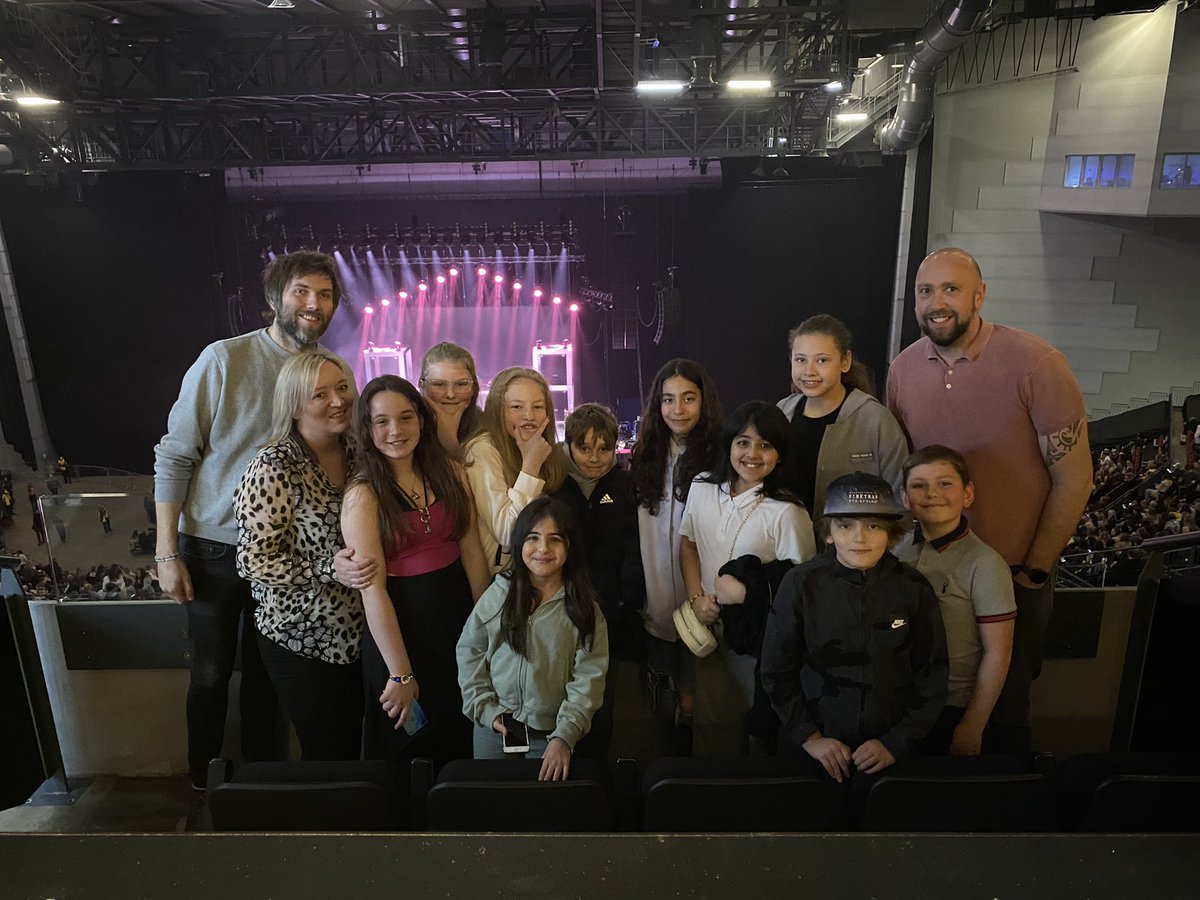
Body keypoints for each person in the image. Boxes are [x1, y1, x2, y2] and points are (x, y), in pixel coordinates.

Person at [153, 250, 370, 790]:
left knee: (269, 679)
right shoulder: (224, 359)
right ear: (275, 298)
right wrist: (166, 552)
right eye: (301, 292)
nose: (312, 305)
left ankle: (259, 781)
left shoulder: (330, 371)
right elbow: (175, 454)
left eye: (324, 295)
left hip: (290, 557)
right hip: (216, 547)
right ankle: (202, 783)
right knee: (209, 672)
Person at [886, 247, 1092, 751]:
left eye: (951, 289)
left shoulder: (1037, 363)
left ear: (979, 295)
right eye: (925, 291)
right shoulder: (902, 370)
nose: (937, 302)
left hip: (1016, 576)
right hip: (929, 581)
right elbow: (904, 475)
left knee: (1004, 719)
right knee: (924, 713)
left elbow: (1075, 478)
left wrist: (1035, 570)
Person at [760, 472, 947, 790]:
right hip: (812, 750)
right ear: (829, 533)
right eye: (846, 525)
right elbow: (776, 671)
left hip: (890, 753)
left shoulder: (913, 588)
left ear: (889, 532)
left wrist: (897, 742)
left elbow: (932, 672)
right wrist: (811, 738)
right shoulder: (801, 584)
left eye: (873, 525)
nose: (860, 537)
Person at [341, 375, 491, 771]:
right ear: (366, 428)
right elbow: (373, 592)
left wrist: (488, 630)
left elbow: (472, 553)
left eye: (406, 417)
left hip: (457, 628)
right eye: (382, 421)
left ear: (421, 420)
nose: (396, 431)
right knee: (406, 753)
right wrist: (401, 674)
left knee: (458, 742)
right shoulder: (363, 494)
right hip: (399, 636)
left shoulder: (449, 473)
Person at [233, 349, 364, 761]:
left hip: (361, 637)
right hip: (300, 640)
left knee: (362, 747)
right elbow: (251, 561)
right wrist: (328, 568)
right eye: (319, 394)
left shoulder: (360, 453)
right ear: (293, 406)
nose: (338, 400)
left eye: (342, 388)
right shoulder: (274, 466)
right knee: (328, 752)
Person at [679, 401, 816, 756]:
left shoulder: (788, 511)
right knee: (711, 729)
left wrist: (746, 594)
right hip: (709, 627)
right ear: (729, 445)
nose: (752, 454)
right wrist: (697, 600)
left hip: (760, 640)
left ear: (780, 455)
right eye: (743, 442)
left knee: (757, 731)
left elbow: (801, 587)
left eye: (765, 445)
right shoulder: (702, 487)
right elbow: (688, 545)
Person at [456, 497, 609, 781]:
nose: (543, 549)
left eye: (555, 539)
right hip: (495, 726)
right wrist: (485, 708)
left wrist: (564, 736)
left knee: (538, 811)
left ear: (570, 545)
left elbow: (589, 680)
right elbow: (470, 650)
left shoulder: (583, 608)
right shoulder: (500, 593)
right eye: (533, 538)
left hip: (550, 734)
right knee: (493, 806)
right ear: (519, 543)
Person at [897, 445, 1017, 756]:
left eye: (945, 483)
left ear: (967, 494)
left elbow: (998, 652)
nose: (931, 493)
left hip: (951, 705)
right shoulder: (894, 553)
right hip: (897, 701)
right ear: (904, 498)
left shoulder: (985, 564)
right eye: (919, 485)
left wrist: (973, 724)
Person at [629, 359, 723, 723]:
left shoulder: (719, 457)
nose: (677, 409)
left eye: (688, 398)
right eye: (668, 400)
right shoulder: (646, 456)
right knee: (662, 702)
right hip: (653, 604)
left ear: (704, 401)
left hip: (703, 603)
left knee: (702, 701)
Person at [551, 402, 644, 760]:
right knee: (562, 692)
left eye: (604, 448)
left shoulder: (623, 486)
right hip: (565, 609)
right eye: (585, 447)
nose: (595, 457)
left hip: (611, 610)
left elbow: (632, 545)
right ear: (569, 445)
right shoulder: (555, 486)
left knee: (601, 697)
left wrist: (627, 599)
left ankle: (596, 773)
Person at [778, 315, 907, 517]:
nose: (809, 371)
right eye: (801, 360)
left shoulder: (875, 420)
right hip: (787, 544)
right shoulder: (781, 414)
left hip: (853, 546)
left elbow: (901, 501)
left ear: (845, 361)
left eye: (822, 360)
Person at [463, 366, 567, 574]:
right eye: (517, 407)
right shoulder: (483, 450)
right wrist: (530, 466)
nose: (529, 416)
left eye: (537, 407)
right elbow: (507, 532)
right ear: (497, 410)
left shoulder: (545, 448)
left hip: (539, 574)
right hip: (503, 579)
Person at [419, 342, 484, 459]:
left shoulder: (487, 429)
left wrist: (449, 442)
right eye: (439, 384)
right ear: (422, 385)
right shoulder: (408, 428)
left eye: (461, 384)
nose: (450, 394)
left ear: (474, 387)